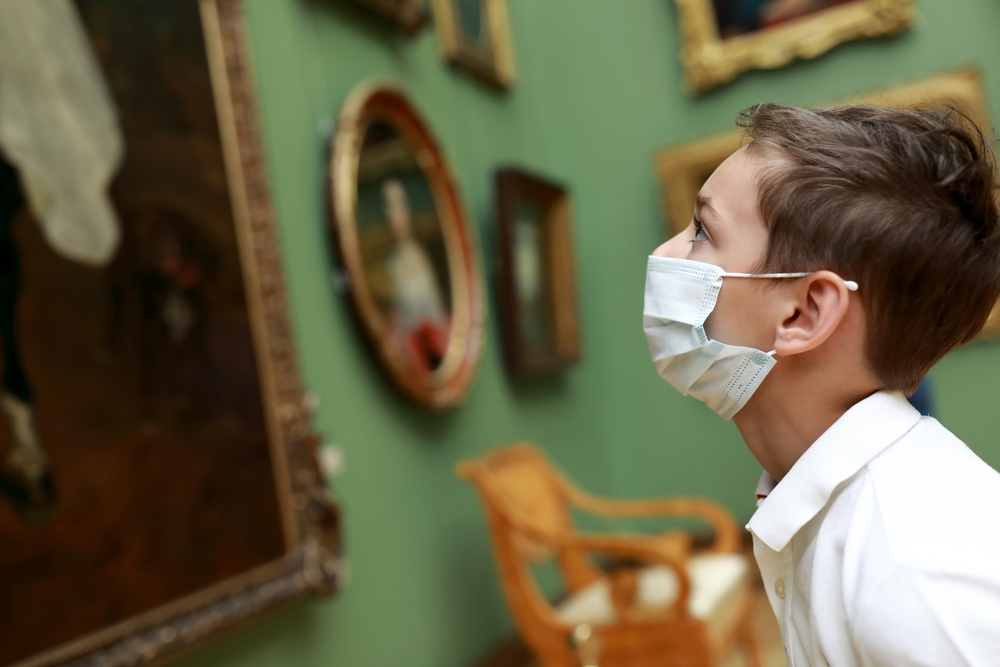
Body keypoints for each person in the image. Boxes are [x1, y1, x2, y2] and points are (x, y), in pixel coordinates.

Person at [643, 104, 1000, 666]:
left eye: (702, 231)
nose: (665, 254)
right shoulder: (831, 511)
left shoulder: (912, 583)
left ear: (804, 313)